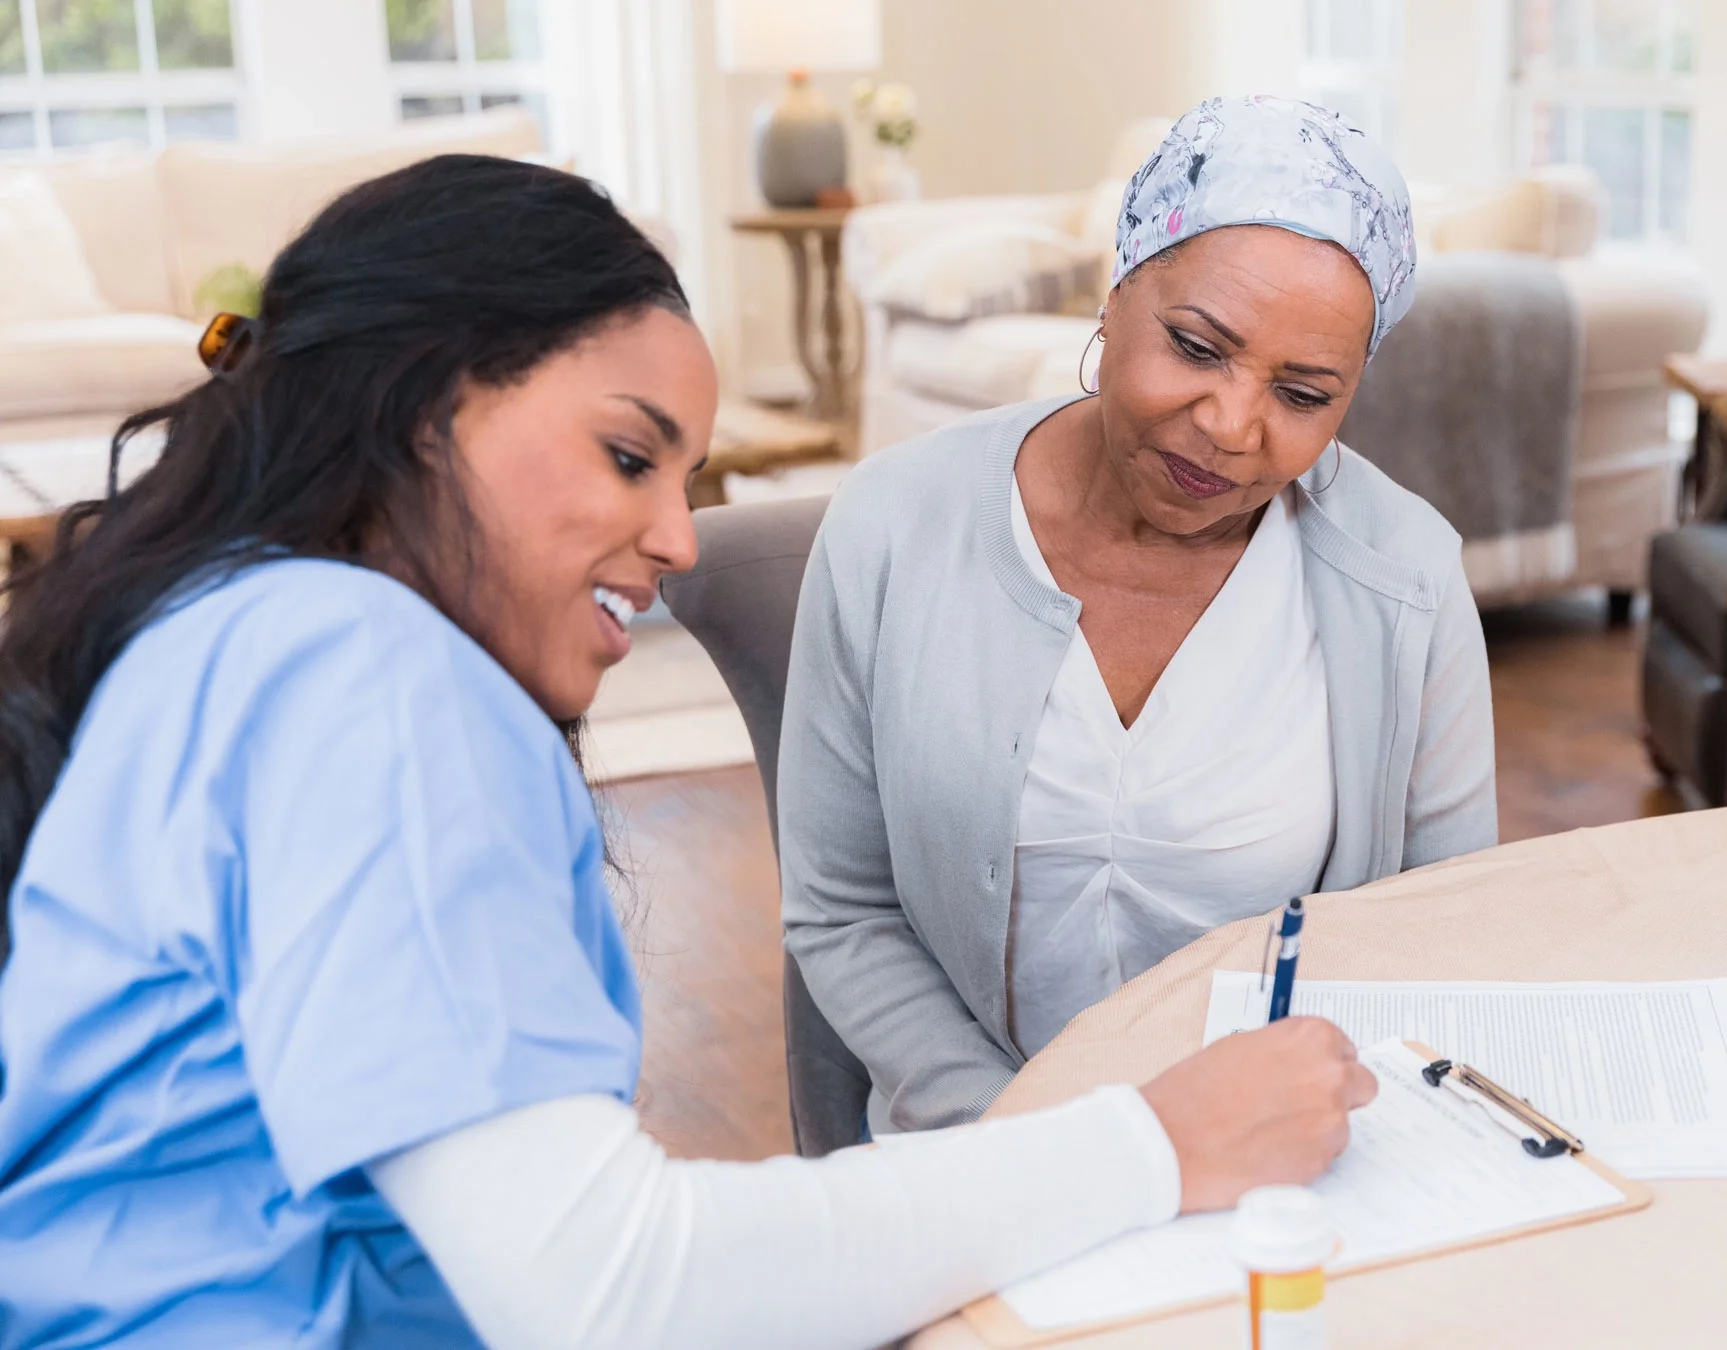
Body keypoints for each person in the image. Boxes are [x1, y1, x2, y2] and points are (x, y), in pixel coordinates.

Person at [0, 154, 1376, 1350]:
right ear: (420, 404)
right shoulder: (363, 674)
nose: (675, 537)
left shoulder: (237, 629)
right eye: (626, 455)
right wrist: (1157, 1139)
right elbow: (612, 1286)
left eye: (687, 477)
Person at [783, 94, 1497, 1135]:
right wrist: (1035, 1137)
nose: (1230, 425)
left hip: (1287, 1164)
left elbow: (1442, 925)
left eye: (1303, 394)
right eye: (1199, 347)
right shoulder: (892, 524)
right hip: (982, 1158)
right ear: (1115, 294)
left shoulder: (1408, 576)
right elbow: (844, 908)